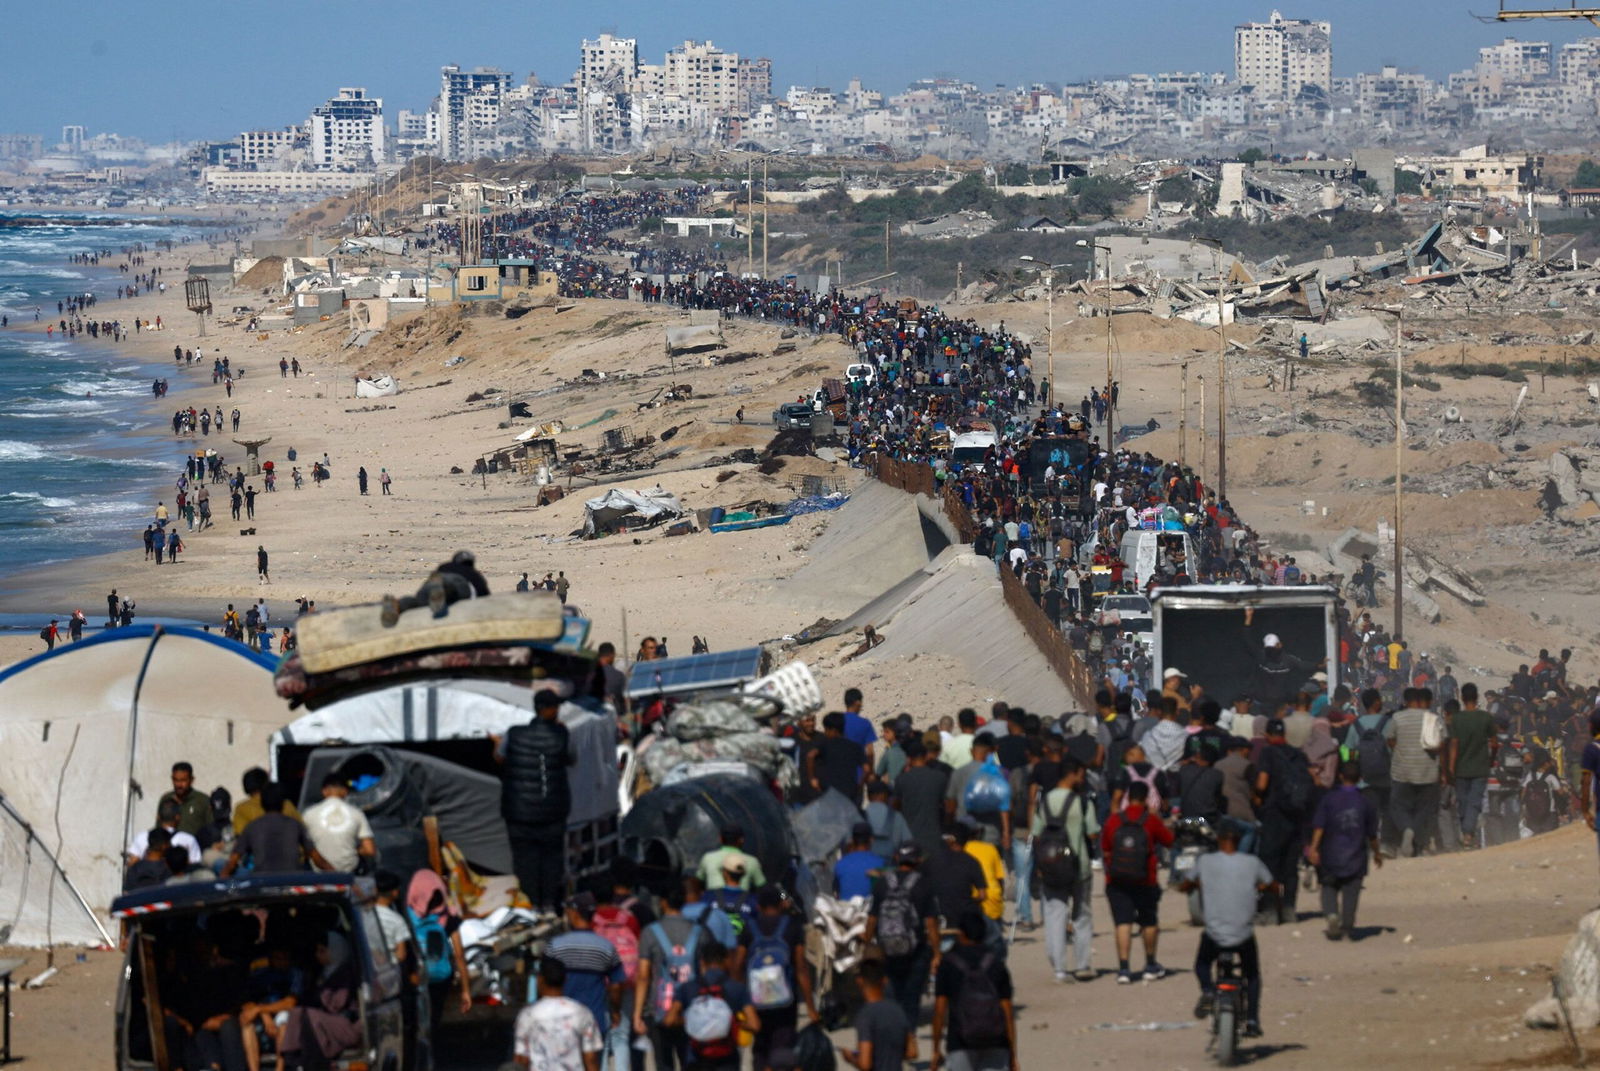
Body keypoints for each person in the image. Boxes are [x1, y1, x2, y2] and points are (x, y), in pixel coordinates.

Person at [1185, 823, 1275, 1041]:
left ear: (1218, 840)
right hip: (1242, 934)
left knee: (1202, 964)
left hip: (1214, 934)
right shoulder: (1252, 862)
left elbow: (1187, 883)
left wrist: (1197, 885)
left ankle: (1207, 990)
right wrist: (1258, 888)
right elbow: (1272, 884)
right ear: (1237, 840)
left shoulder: (1205, 861)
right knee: (1252, 975)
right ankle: (1252, 1019)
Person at [494, 688, 573, 913]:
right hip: (553, 811)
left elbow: (499, 756)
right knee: (551, 859)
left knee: (525, 860)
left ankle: (531, 905)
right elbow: (571, 758)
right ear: (550, 709)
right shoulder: (561, 734)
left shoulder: (514, 733)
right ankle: (548, 904)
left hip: (519, 813)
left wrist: (495, 743)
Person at [1032, 757, 1099, 982]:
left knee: (1054, 916)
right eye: (1081, 775)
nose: (1082, 779)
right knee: (1081, 915)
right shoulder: (1082, 802)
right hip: (1078, 866)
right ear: (1073, 774)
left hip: (1051, 866)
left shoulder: (1045, 801)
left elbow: (1037, 832)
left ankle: (1059, 969)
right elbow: (1091, 832)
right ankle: (1082, 965)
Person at [1100, 780, 1173, 983]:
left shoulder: (1114, 820)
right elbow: (1169, 841)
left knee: (1123, 922)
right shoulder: (1151, 820)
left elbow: (1105, 848)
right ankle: (1150, 964)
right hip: (1145, 879)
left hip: (1116, 879)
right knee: (1149, 921)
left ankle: (1124, 969)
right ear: (1147, 798)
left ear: (1127, 797)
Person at [741, 885, 818, 1066]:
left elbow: (738, 964)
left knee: (760, 1048)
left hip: (757, 1001)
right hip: (785, 1003)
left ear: (758, 906)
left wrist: (739, 1000)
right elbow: (801, 969)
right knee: (783, 1050)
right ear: (781, 904)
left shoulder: (749, 928)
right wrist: (811, 1007)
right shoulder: (792, 927)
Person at [930, 911, 1018, 1071]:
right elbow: (1007, 1012)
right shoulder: (996, 963)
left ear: (961, 933)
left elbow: (940, 1010)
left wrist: (935, 1049)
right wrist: (1013, 1055)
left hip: (960, 1042)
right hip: (996, 1041)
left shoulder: (948, 963)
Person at [866, 844, 940, 1030]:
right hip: (915, 951)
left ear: (897, 859)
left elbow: (872, 919)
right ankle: (909, 1040)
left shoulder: (883, 882)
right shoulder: (924, 883)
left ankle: (893, 1037)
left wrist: (867, 945)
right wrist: (937, 953)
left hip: (887, 949)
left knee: (892, 996)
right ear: (917, 861)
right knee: (911, 998)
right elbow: (931, 924)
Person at [1309, 761, 1382, 940]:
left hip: (1330, 853)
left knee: (1328, 886)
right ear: (1360, 779)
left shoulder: (1329, 799)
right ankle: (1348, 923)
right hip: (1355, 854)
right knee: (1352, 890)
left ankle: (1332, 914)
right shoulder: (1365, 802)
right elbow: (1372, 834)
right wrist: (1377, 853)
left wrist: (1313, 848)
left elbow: (1319, 826)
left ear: (1340, 776)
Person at [634, 885, 704, 1071]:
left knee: (663, 1062)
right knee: (690, 1059)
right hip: (691, 1007)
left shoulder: (650, 932)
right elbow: (704, 971)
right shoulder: (699, 931)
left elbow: (643, 976)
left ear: (663, 903)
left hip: (658, 1008)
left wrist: (638, 1013)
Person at [664, 939, 757, 1071]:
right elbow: (755, 1024)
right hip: (727, 1058)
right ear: (726, 961)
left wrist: (689, 1020)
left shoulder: (688, 988)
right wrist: (734, 1022)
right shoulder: (737, 988)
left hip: (696, 1058)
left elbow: (669, 1020)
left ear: (702, 962)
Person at [1252, 718, 1311, 923]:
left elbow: (1262, 783)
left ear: (1267, 735)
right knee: (1290, 865)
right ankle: (1289, 909)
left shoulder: (1267, 753)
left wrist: (1256, 796)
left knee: (1270, 863)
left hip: (1274, 814)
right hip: (1295, 814)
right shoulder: (1298, 754)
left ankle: (1270, 910)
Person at [546, 891, 627, 1039]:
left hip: (562, 1025)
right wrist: (615, 1011)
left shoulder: (555, 947)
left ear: (574, 913)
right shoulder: (606, 947)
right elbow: (616, 986)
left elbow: (545, 984)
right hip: (594, 1024)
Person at [279, 932, 363, 1071]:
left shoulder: (346, 973)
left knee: (303, 1014)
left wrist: (321, 994)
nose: (318, 955)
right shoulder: (326, 972)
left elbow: (337, 1004)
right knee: (299, 1014)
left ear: (336, 950)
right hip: (329, 1021)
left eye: (322, 951)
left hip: (346, 1024)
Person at [514, 957, 603, 1071]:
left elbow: (521, 1059)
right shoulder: (582, 1012)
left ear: (540, 980)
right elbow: (590, 1058)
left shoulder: (528, 1014)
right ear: (565, 980)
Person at [1386, 687, 1445, 858]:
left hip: (1401, 772)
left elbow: (1390, 739)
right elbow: (1442, 744)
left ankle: (1407, 828)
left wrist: (1401, 750)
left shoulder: (1397, 718)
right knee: (1423, 809)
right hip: (1427, 772)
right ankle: (1417, 842)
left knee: (1398, 806)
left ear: (1406, 701)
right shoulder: (1433, 719)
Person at [221, 784, 329, 875]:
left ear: (262, 804)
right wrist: (337, 874)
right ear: (283, 804)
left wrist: (225, 883)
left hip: (263, 882)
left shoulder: (252, 827)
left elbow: (232, 862)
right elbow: (317, 859)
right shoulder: (294, 825)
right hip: (293, 881)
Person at [841, 958, 914, 1071]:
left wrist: (850, 1058)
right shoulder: (898, 1010)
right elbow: (912, 1052)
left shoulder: (866, 1015)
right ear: (885, 981)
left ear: (859, 981)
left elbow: (865, 1064)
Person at [299, 772, 377, 873]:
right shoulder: (357, 813)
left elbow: (302, 846)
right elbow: (369, 850)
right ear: (345, 791)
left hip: (318, 874)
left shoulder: (308, 814)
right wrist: (354, 850)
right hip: (348, 875)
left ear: (324, 791)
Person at [1449, 683, 1495, 849]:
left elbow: (1454, 745)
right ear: (1476, 698)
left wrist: (1451, 767)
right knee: (1474, 802)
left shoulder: (1456, 719)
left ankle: (1467, 833)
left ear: (1462, 698)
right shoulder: (1485, 718)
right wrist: (1491, 759)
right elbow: (1494, 742)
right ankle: (1468, 833)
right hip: (1480, 768)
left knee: (1463, 802)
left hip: (1461, 768)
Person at [809, 711, 868, 806]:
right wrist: (859, 785)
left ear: (832, 730)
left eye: (826, 730)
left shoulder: (824, 745)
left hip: (829, 795)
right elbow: (866, 769)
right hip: (850, 795)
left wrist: (812, 779)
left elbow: (810, 756)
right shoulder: (854, 746)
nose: (825, 733)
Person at [699, 824, 765, 891]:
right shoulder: (752, 861)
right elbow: (761, 886)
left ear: (720, 839)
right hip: (743, 900)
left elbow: (698, 881)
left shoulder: (708, 858)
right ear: (741, 840)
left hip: (712, 899)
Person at [159, 760, 215, 839]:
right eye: (176, 780)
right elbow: (158, 827)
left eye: (183, 780)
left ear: (191, 780)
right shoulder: (166, 799)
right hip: (169, 849)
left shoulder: (203, 801)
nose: (179, 785)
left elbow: (211, 828)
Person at [834, 821, 887, 901]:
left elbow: (836, 890)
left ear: (852, 840)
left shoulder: (840, 864)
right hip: (870, 911)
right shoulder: (880, 863)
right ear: (871, 840)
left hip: (845, 910)